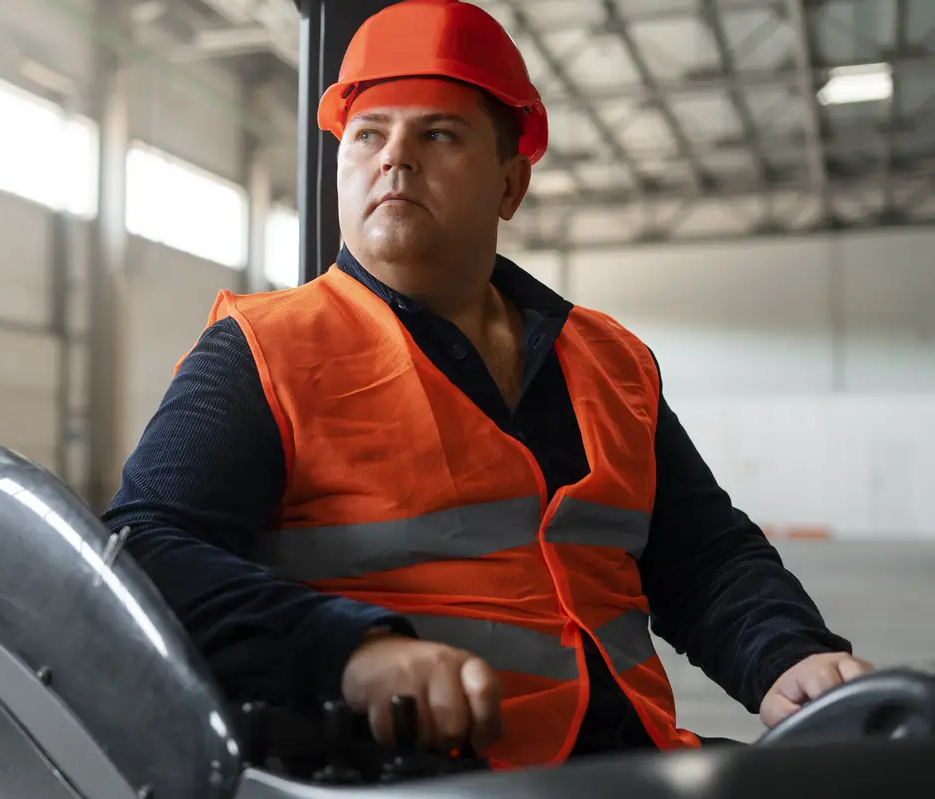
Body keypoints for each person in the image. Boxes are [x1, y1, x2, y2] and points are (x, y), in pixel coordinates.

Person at [103, 0, 871, 768]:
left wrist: (788, 654)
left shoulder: (611, 360)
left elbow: (704, 557)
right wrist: (351, 650)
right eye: (369, 134)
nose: (394, 158)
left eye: (437, 134)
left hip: (634, 760)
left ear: (511, 183)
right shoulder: (261, 351)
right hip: (416, 772)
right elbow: (146, 550)